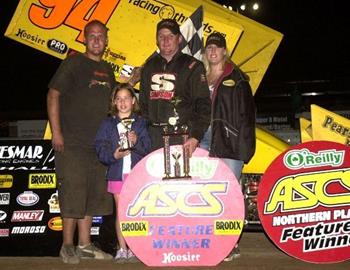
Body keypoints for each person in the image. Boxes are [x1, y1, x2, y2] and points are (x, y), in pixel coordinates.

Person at [47, 20, 116, 264]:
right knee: (73, 192)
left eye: (101, 36)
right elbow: (53, 94)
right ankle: (67, 245)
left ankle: (85, 244)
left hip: (99, 146)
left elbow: (115, 103)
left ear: (106, 41)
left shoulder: (108, 70)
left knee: (92, 195)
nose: (96, 40)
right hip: (72, 143)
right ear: (84, 39)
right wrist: (57, 132)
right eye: (92, 36)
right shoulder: (74, 63)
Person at [201, 32, 256, 261]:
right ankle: (213, 238)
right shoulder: (200, 77)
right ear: (205, 52)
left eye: (217, 47)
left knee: (230, 193)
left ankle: (231, 242)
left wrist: (244, 149)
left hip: (229, 140)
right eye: (209, 47)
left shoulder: (238, 78)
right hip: (202, 138)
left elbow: (248, 116)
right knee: (207, 192)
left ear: (225, 51)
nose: (213, 51)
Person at [94, 83, 151, 262]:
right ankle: (121, 248)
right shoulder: (107, 124)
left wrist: (136, 142)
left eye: (126, 98)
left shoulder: (141, 123)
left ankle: (135, 248)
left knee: (135, 212)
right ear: (114, 102)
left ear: (133, 101)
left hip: (136, 176)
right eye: (119, 99)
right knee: (121, 212)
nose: (123, 102)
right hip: (117, 174)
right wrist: (114, 155)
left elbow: (147, 148)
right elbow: (99, 147)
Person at [139, 18, 211, 155]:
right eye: (161, 36)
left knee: (180, 176)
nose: (166, 40)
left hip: (182, 137)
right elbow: (142, 104)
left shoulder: (193, 66)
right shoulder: (149, 66)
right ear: (156, 40)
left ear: (179, 39)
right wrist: (144, 132)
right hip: (152, 138)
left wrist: (195, 136)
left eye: (170, 36)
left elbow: (203, 104)